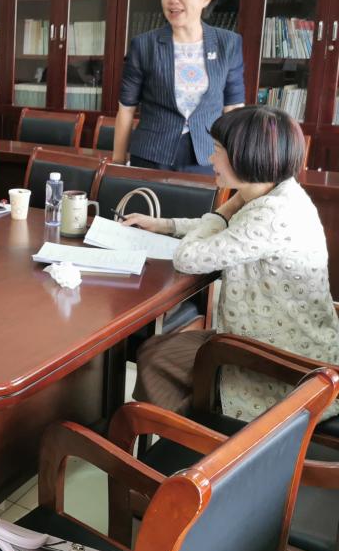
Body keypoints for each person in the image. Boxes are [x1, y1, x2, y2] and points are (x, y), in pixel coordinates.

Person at [124, 106, 339, 422]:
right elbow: (230, 232)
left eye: (217, 150)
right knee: (156, 353)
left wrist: (227, 205)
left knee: (155, 357)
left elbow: (188, 257)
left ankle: (203, 436)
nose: (210, 158)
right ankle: (193, 427)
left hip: (284, 366)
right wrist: (166, 225)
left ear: (246, 156)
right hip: (281, 341)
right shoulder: (279, 194)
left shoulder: (272, 215)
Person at [112, 0, 245, 174]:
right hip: (151, 154)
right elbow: (126, 109)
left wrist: (235, 162)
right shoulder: (144, 45)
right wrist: (117, 163)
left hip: (207, 156)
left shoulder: (227, 43)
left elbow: (233, 108)